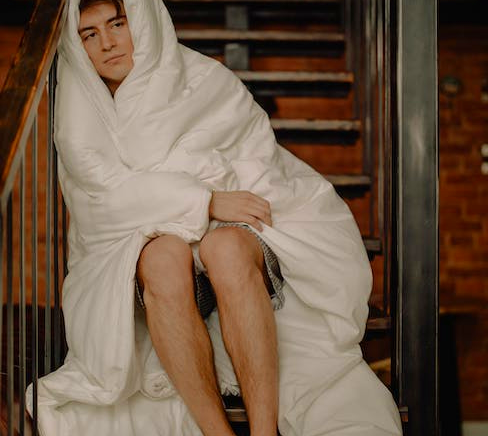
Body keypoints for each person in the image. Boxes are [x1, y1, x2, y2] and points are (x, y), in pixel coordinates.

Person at [27, 0, 404, 435]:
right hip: (144, 249)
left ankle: (263, 432)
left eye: (117, 24)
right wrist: (202, 200)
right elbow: (101, 199)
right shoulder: (80, 109)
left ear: (143, 23)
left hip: (230, 238)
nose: (108, 43)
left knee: (225, 247)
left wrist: (198, 204)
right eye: (89, 34)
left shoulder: (206, 80)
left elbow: (254, 166)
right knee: (163, 258)